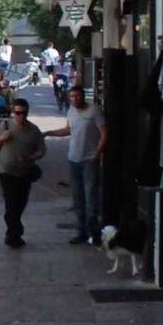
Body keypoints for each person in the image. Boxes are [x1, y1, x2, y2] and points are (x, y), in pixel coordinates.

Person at [0, 97, 46, 247]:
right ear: (13, 113)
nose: (20, 116)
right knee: (11, 204)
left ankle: (15, 230)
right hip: (6, 170)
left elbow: (42, 150)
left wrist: (35, 156)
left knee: (21, 203)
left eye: (24, 113)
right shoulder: (5, 125)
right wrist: (2, 138)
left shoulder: (34, 130)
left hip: (25, 171)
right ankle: (13, 234)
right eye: (17, 113)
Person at [65, 82, 107, 245]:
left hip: (89, 159)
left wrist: (97, 153)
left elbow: (104, 132)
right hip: (73, 159)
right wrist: (47, 133)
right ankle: (80, 230)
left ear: (83, 96)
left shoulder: (94, 111)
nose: (75, 99)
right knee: (78, 197)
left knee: (91, 197)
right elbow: (68, 130)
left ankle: (93, 232)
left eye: (77, 96)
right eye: (72, 97)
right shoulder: (70, 111)